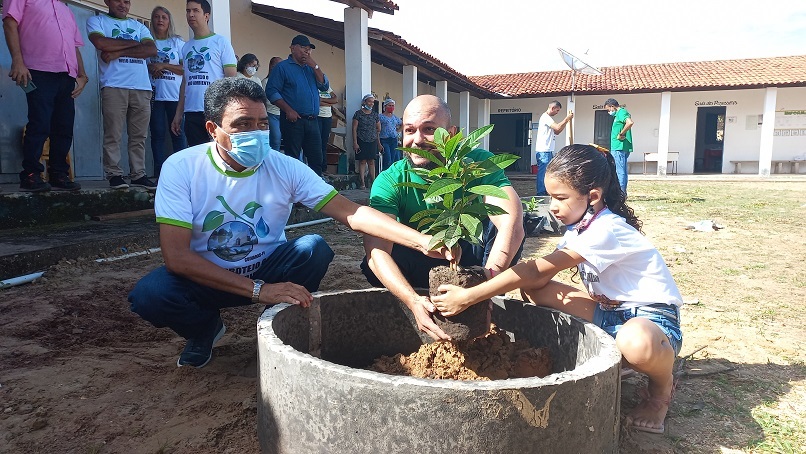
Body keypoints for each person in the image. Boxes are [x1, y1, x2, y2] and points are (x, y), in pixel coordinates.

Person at [128, 78, 452, 369]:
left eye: (262, 123)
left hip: (269, 266)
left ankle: (283, 324)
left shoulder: (283, 167)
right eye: (243, 124)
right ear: (213, 129)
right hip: (209, 278)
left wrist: (420, 240)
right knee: (151, 294)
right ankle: (203, 331)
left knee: (313, 249)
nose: (256, 133)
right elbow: (177, 257)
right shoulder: (182, 168)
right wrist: (260, 291)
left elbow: (351, 212)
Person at [432, 144, 682, 434]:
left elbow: (538, 269)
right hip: (609, 313)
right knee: (537, 290)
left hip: (654, 322)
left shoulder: (607, 229)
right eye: (550, 197)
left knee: (637, 341)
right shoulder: (581, 227)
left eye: (560, 198)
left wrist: (471, 295)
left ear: (594, 197)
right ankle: (622, 358)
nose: (552, 206)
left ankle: (660, 389)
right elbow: (535, 280)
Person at [361, 94, 525, 341]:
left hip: (472, 262)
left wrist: (484, 288)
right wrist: (411, 300)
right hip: (420, 263)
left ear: (451, 134)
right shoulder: (391, 179)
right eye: (409, 130)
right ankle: (424, 299)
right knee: (376, 257)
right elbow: (376, 248)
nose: (417, 140)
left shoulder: (476, 164)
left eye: (429, 130)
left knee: (502, 228)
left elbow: (511, 220)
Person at [3, 0, 88, 192]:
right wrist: (17, 61)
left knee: (64, 126)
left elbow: (74, 46)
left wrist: (82, 75)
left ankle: (58, 174)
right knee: (39, 123)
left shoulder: (65, 9)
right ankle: (31, 175)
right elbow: (9, 22)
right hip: (37, 71)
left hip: (66, 75)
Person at [87, 0, 158, 190]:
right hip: (113, 85)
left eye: (127, 1)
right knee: (113, 134)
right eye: (118, 0)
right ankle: (114, 175)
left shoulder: (137, 25)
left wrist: (116, 52)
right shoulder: (98, 22)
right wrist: (134, 44)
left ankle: (138, 174)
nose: (123, 5)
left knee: (139, 136)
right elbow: (101, 43)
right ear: (107, 1)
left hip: (142, 87)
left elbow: (151, 50)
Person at [170, 0, 237, 147]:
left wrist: (227, 110)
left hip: (215, 111)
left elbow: (231, 78)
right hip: (192, 111)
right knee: (199, 158)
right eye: (188, 11)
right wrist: (178, 113)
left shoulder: (220, 42)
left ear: (206, 16)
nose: (191, 14)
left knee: (220, 156)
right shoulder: (186, 47)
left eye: (195, 10)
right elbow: (185, 82)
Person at [265, 34, 329, 175]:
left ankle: (316, 192)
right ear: (293, 48)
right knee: (292, 159)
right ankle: (292, 193)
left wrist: (315, 66)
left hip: (313, 121)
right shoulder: (282, 68)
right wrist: (288, 110)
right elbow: (271, 91)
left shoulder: (311, 68)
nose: (307, 51)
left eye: (309, 49)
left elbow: (324, 86)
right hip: (293, 120)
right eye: (303, 48)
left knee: (316, 158)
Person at [148, 5, 186, 178]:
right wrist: (152, 67)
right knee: (157, 135)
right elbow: (142, 64)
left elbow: (186, 68)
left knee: (178, 134)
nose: (160, 20)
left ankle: (181, 173)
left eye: (164, 17)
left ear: (169, 21)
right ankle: (159, 172)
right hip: (154, 95)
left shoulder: (177, 43)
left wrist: (163, 65)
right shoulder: (147, 41)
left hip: (174, 95)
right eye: (157, 17)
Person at [534, 100, 572, 197]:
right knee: (543, 173)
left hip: (547, 150)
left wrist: (566, 122)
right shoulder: (546, 117)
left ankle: (544, 191)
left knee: (547, 172)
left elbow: (557, 131)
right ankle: (541, 193)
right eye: (557, 110)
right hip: (544, 151)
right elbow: (557, 127)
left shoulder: (548, 118)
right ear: (553, 108)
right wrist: (567, 119)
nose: (557, 112)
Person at [604, 98, 634, 193]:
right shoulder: (618, 115)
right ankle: (622, 192)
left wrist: (621, 134)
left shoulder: (621, 112)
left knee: (619, 171)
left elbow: (630, 122)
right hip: (620, 147)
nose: (609, 112)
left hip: (619, 147)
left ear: (612, 106)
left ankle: (620, 193)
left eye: (608, 110)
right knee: (622, 171)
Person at [352, 93, 380, 189]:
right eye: (369, 101)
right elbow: (354, 128)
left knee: (371, 162)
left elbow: (379, 128)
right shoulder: (358, 114)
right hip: (361, 139)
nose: (371, 103)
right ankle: (362, 182)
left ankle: (373, 182)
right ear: (364, 102)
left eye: (373, 102)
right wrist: (355, 142)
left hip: (372, 140)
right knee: (362, 161)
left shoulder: (375, 115)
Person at [262, 56, 282, 152]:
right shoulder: (265, 82)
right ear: (271, 66)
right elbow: (268, 100)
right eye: (275, 65)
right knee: (276, 140)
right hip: (271, 114)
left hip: (284, 115)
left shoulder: (284, 82)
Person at [378, 98, 402, 171]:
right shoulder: (380, 117)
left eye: (392, 106)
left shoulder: (395, 117)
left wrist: (397, 131)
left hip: (394, 140)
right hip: (384, 140)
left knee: (394, 159)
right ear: (385, 106)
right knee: (387, 159)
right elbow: (377, 129)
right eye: (389, 105)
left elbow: (402, 124)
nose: (391, 107)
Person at [318, 86, 337, 174]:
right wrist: (329, 103)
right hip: (317, 117)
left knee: (324, 143)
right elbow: (316, 102)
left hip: (327, 118)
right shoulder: (314, 86)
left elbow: (335, 100)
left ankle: (324, 168)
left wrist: (322, 100)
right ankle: (318, 167)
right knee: (317, 142)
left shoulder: (327, 88)